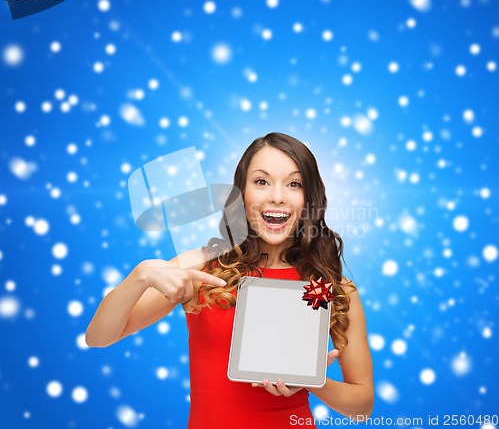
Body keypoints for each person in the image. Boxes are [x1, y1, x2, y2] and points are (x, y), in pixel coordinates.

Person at [86, 132, 374, 428]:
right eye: (261, 181)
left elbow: (362, 406)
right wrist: (141, 275)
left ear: (309, 199)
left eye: (294, 183)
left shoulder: (330, 288)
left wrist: (311, 380)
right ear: (241, 193)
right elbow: (98, 337)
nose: (277, 195)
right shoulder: (201, 267)